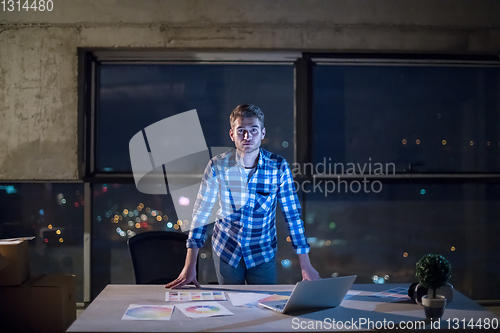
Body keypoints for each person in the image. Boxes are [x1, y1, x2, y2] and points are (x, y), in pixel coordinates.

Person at [165, 104, 320, 288]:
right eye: (241, 131)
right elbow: (201, 214)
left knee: (266, 305)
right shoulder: (218, 165)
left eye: (253, 130)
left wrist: (306, 264)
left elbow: (292, 216)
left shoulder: (278, 166)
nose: (247, 137)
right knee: (231, 307)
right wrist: (189, 266)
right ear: (232, 134)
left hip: (262, 252)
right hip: (226, 251)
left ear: (262, 133)